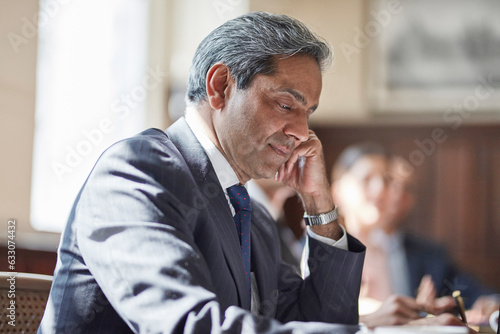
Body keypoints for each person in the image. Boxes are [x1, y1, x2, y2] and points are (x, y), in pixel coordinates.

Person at [39, 12, 367, 333]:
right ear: (221, 85)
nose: (302, 131)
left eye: (307, 113)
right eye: (285, 105)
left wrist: (318, 204)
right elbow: (185, 323)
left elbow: (324, 322)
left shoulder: (255, 219)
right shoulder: (135, 171)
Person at [330, 142, 497, 328]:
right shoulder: (317, 255)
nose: (380, 190)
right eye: (366, 179)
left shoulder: (424, 254)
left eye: (386, 180)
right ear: (337, 193)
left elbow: (474, 293)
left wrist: (425, 314)